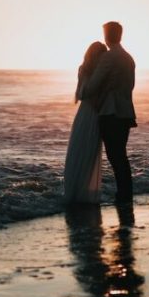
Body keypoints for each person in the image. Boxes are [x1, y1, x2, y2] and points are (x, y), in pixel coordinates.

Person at [82, 21, 136, 203]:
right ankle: (125, 194)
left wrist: (82, 89)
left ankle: (123, 196)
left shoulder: (109, 57)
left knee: (115, 156)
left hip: (110, 113)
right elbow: (131, 86)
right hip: (126, 113)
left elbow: (93, 86)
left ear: (107, 36)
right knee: (121, 155)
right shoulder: (128, 58)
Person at [63, 41, 107, 203]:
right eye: (101, 54)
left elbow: (81, 94)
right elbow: (81, 94)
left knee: (87, 152)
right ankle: (77, 192)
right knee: (81, 151)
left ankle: (81, 192)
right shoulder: (87, 70)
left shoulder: (96, 71)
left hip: (89, 113)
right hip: (89, 114)